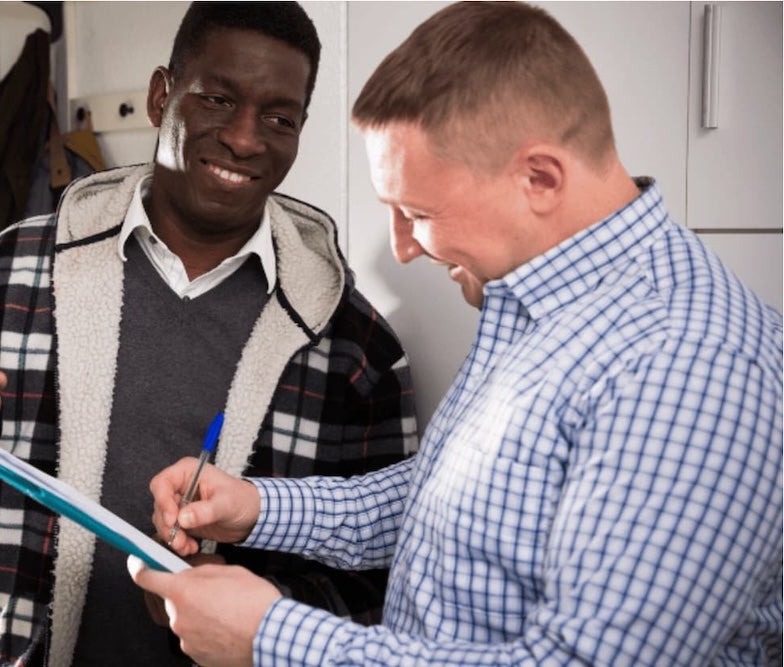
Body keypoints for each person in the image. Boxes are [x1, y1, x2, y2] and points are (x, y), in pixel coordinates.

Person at [131, 2, 784, 665]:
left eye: (417, 213)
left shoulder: (689, 362)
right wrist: (257, 506)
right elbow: (461, 503)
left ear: (540, 179)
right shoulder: (541, 303)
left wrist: (271, 638)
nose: (403, 248)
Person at [0, 3, 418, 665]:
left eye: (278, 118)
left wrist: (247, 604)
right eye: (216, 98)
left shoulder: (355, 349)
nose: (244, 138)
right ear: (160, 95)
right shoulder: (15, 276)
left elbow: (387, 596)